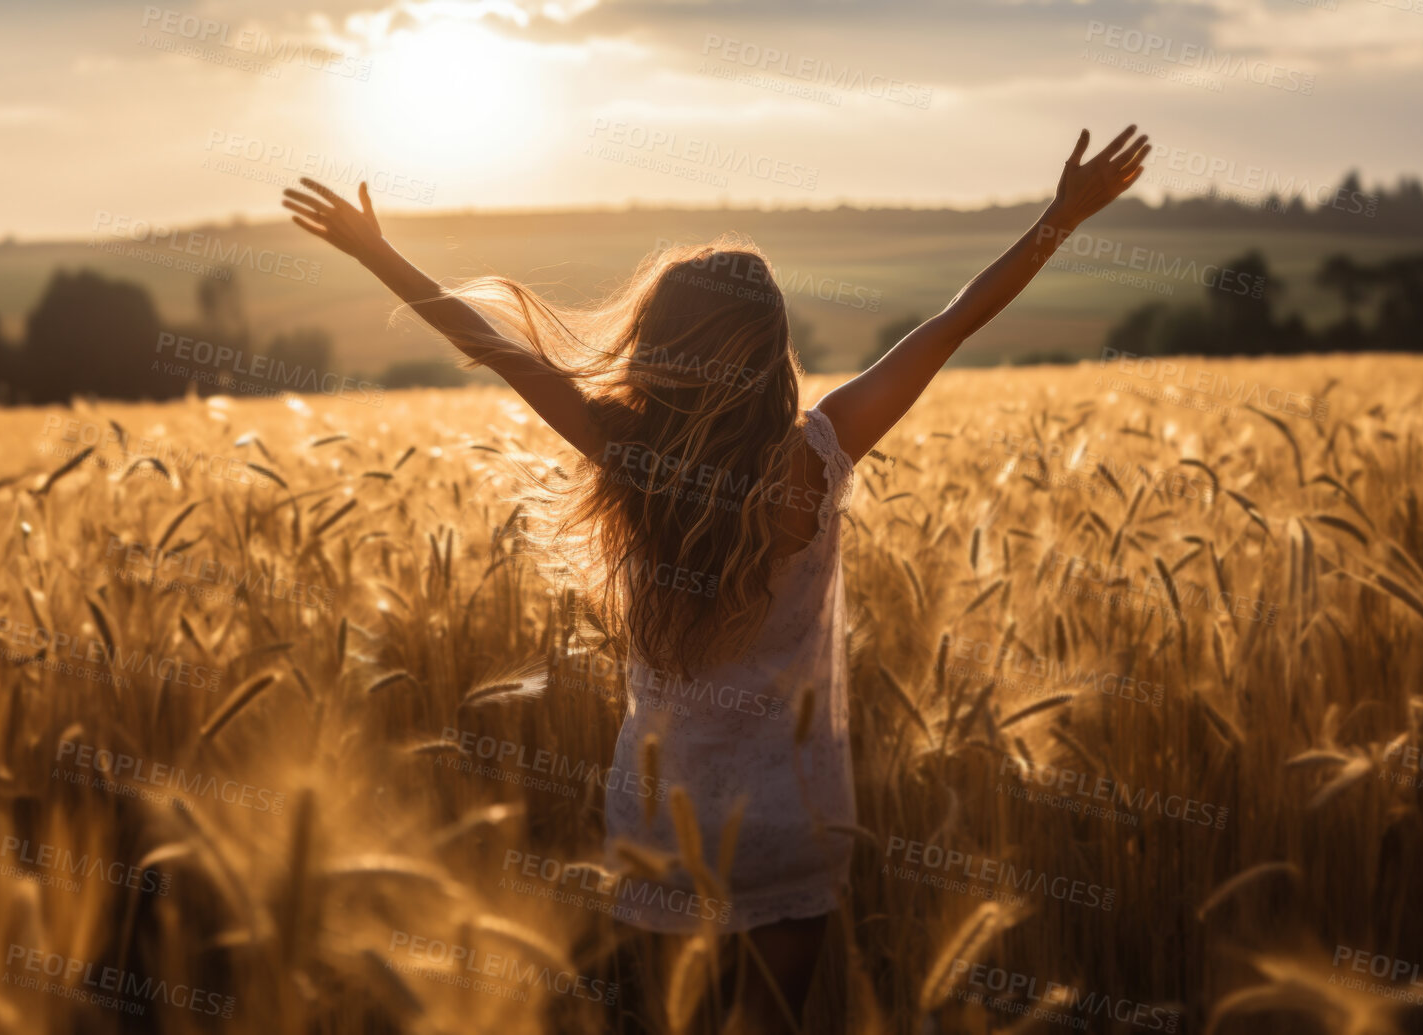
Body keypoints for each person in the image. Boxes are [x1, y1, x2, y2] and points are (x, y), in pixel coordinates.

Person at [282, 123, 1147, 1031]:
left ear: (660, 346)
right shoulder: (821, 453)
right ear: (771, 350)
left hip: (666, 814)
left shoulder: (629, 453)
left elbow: (497, 348)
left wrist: (379, 254)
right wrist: (1061, 216)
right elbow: (953, 321)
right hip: (796, 813)